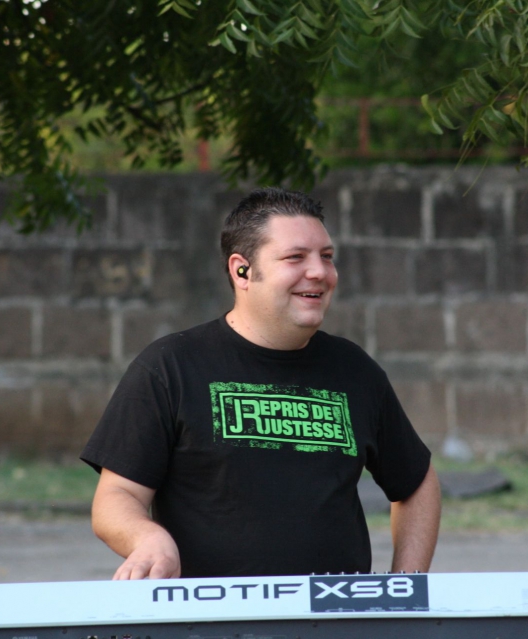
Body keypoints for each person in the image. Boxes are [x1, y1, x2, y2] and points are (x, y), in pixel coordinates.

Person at [81, 187, 441, 579]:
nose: (320, 272)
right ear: (242, 270)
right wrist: (147, 538)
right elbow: (117, 497)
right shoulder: (170, 367)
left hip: (333, 613)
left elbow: (417, 483)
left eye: (326, 256)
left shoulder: (355, 370)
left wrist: (405, 588)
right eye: (295, 257)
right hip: (210, 612)